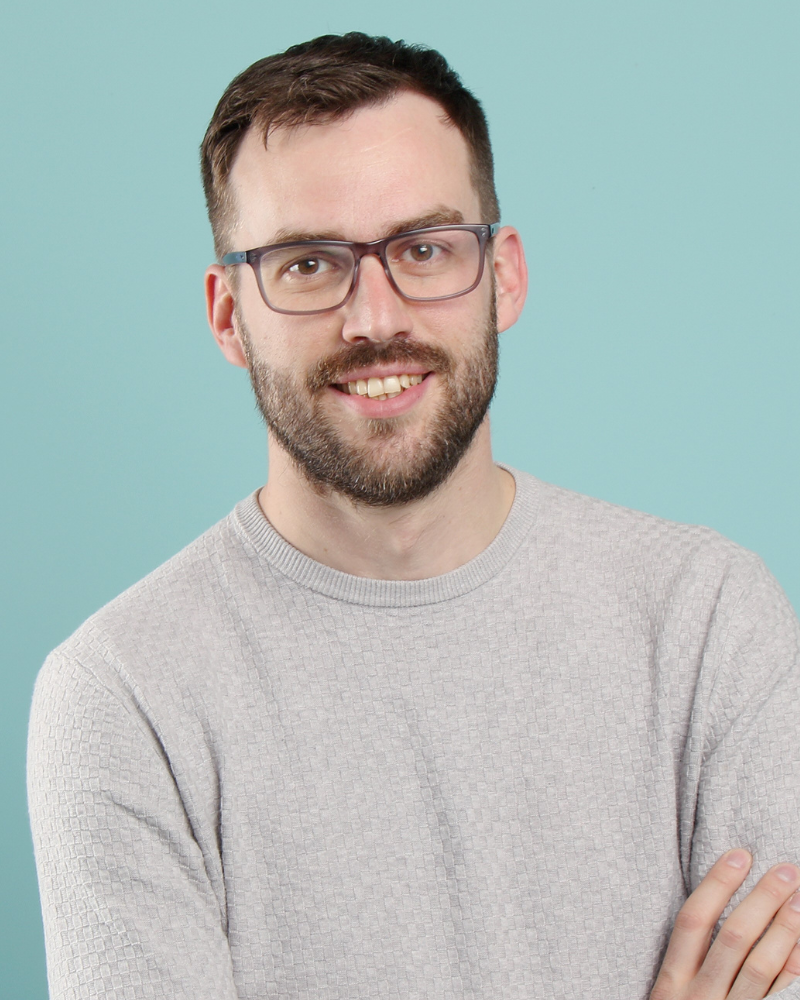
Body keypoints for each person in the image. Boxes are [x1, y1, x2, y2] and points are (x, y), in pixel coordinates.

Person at [27, 32, 800, 1000]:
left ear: (502, 275)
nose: (374, 318)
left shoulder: (707, 621)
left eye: (423, 249)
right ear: (228, 314)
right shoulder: (122, 697)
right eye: (307, 264)